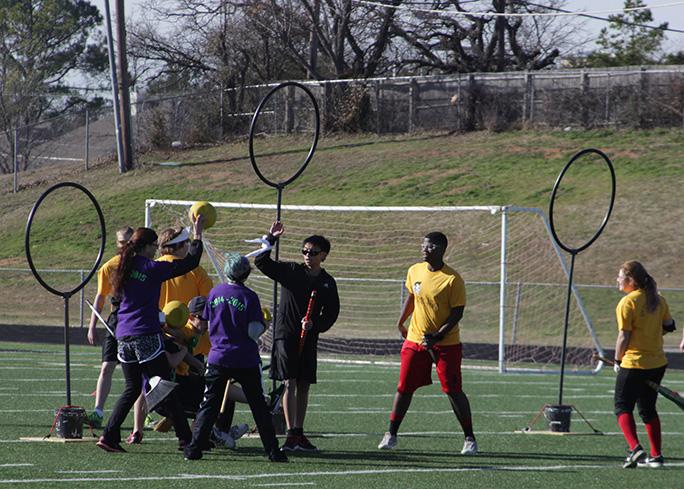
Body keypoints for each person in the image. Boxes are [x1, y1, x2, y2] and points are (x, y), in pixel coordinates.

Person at [96, 217, 203, 453]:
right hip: (145, 334)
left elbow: (116, 302)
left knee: (133, 388)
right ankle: (187, 441)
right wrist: (197, 234)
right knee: (164, 386)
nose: (156, 251)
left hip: (123, 336)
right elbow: (190, 262)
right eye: (154, 247)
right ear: (145, 247)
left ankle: (109, 435)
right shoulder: (151, 268)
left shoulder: (122, 267)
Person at [378, 231, 477, 455]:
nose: (425, 249)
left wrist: (439, 335)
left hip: (446, 343)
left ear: (442, 249)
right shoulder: (415, 270)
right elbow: (413, 297)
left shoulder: (452, 279)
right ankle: (391, 434)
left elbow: (457, 313)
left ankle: (469, 438)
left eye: (430, 246)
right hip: (415, 339)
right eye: (423, 246)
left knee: (453, 390)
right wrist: (401, 321)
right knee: (404, 388)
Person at [183, 253, 286, 462]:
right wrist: (265, 324)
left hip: (218, 356)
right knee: (258, 406)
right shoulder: (249, 296)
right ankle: (273, 451)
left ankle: (194, 449)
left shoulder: (214, 293)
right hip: (244, 358)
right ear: (246, 273)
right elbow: (253, 331)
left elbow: (204, 323)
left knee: (209, 404)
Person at [254, 222, 339, 452]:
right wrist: (270, 239)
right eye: (304, 252)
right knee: (289, 381)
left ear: (324, 256)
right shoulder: (292, 271)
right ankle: (291, 434)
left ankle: (299, 433)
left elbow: (331, 314)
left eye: (312, 253)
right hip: (286, 336)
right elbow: (262, 262)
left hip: (309, 338)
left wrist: (315, 325)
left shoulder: (327, 282)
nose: (307, 256)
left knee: (304, 384)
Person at [613, 261, 675, 469]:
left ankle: (635, 448)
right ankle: (656, 456)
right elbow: (669, 326)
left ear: (631, 280)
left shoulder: (627, 302)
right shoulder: (659, 300)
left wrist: (617, 360)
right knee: (648, 409)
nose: (618, 280)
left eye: (620, 277)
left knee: (622, 406)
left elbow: (624, 336)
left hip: (634, 363)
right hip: (657, 363)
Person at [86, 226, 133, 429]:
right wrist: (91, 326)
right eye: (122, 242)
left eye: (128, 242)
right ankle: (98, 411)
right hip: (117, 320)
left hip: (137, 321)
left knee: (141, 372)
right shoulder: (109, 267)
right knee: (107, 366)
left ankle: (148, 413)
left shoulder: (144, 265)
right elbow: (100, 296)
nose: (125, 246)